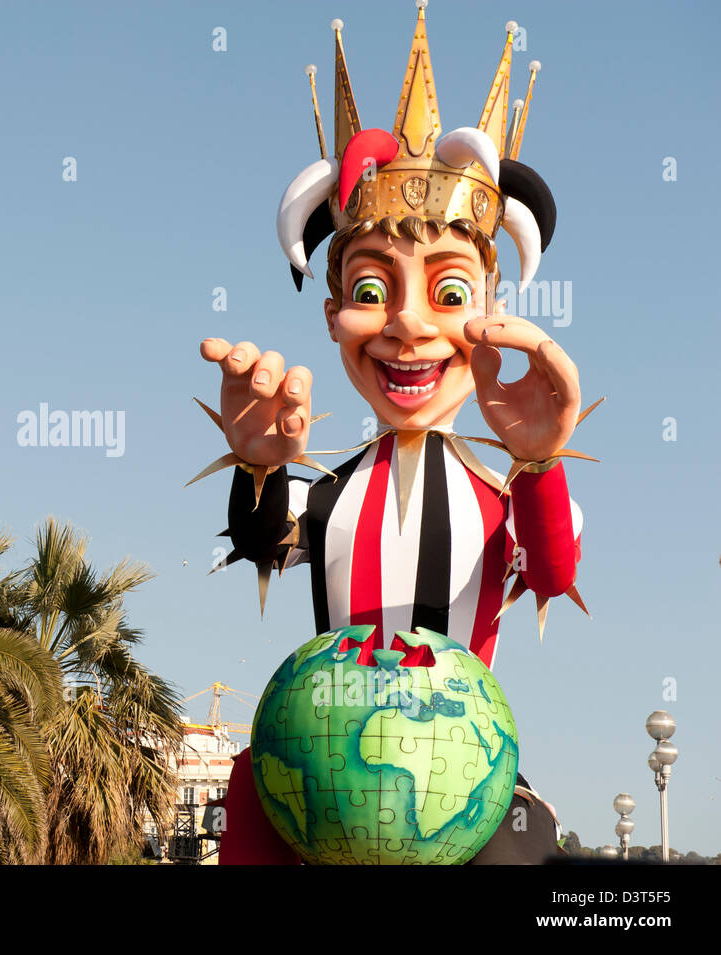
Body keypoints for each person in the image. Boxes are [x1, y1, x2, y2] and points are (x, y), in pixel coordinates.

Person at [195, 4, 593, 865]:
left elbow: (554, 567)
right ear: (334, 310)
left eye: (449, 295)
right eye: (372, 290)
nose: (408, 325)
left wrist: (537, 459)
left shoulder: (500, 500)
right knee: (248, 798)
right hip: (321, 774)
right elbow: (267, 539)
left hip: (465, 786)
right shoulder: (330, 493)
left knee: (525, 848)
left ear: (488, 312)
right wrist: (258, 469)